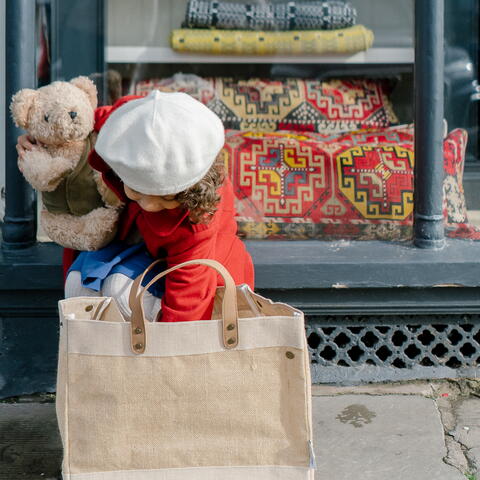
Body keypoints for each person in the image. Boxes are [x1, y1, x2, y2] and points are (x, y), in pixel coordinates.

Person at [17, 90, 255, 322]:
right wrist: (46, 140)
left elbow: (188, 296)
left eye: (166, 197)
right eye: (138, 192)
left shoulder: (197, 218)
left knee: (120, 292)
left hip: (197, 276)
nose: (150, 205)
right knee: (80, 286)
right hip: (135, 243)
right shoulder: (131, 122)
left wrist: (168, 352)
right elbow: (97, 118)